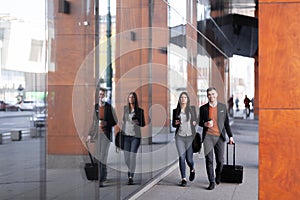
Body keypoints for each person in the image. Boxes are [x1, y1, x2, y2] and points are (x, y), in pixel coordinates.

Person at [198, 87, 234, 190]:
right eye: (209, 94)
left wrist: (231, 136)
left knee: (220, 161)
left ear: (216, 95)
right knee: (209, 160)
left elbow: (226, 123)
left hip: (219, 138)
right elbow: (200, 122)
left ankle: (218, 175)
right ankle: (211, 181)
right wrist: (205, 124)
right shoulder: (203, 108)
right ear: (207, 96)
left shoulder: (222, 107)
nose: (211, 96)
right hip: (208, 137)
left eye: (213, 94)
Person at [86, 87, 118, 187]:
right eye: (99, 94)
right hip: (97, 135)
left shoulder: (109, 107)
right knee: (98, 156)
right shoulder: (95, 107)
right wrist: (90, 135)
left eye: (102, 94)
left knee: (103, 156)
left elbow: (115, 121)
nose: (101, 96)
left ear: (105, 95)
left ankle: (103, 177)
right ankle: (101, 177)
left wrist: (107, 123)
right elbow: (93, 123)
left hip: (106, 135)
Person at [172, 92, 197, 187]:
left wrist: (195, 122)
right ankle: (183, 178)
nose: (183, 99)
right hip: (179, 137)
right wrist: (176, 123)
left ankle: (192, 169)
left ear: (187, 99)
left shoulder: (192, 110)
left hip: (190, 137)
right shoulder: (175, 111)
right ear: (179, 100)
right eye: (181, 97)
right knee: (182, 157)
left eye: (185, 97)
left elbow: (196, 120)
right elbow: (173, 125)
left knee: (189, 159)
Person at [120, 92, 145, 185]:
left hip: (135, 137)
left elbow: (143, 123)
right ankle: (130, 169)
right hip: (126, 136)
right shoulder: (125, 109)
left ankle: (130, 176)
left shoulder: (140, 111)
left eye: (132, 97)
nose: (131, 99)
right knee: (127, 158)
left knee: (132, 156)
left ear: (135, 99)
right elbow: (123, 122)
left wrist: (138, 122)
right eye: (129, 97)